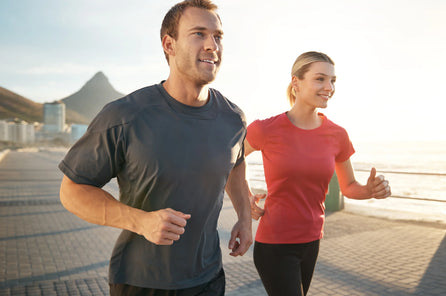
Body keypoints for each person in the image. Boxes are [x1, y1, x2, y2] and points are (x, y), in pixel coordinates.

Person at [58, 1, 253, 295]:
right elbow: (72, 191)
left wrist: (245, 217)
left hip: (210, 278)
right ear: (169, 44)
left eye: (218, 36)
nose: (212, 45)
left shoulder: (233, 118)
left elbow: (235, 166)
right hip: (141, 282)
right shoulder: (125, 116)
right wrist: (141, 221)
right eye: (199, 34)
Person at [245, 51, 392, 296]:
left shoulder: (337, 135)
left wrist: (370, 191)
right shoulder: (265, 129)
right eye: (320, 79)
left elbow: (349, 186)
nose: (329, 87)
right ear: (296, 82)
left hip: (312, 241)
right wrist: (244, 195)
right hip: (275, 244)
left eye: (333, 80)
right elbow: (232, 160)